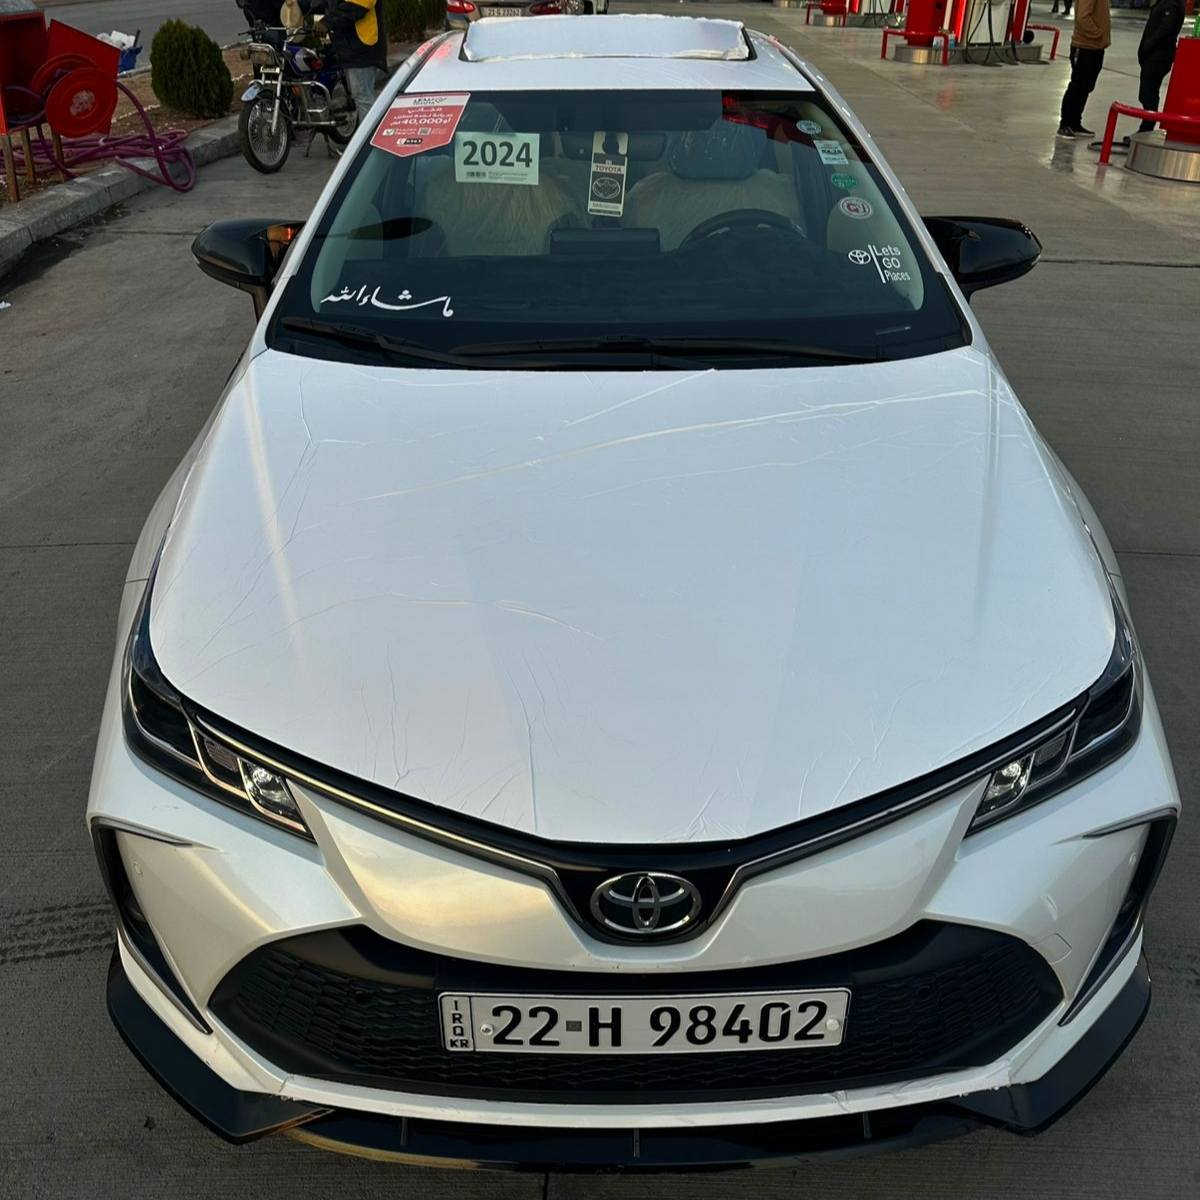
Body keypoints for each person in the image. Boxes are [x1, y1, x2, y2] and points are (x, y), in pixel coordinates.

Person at [305, 0, 387, 123]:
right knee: (360, 97)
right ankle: (367, 131)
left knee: (363, 98)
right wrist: (303, 5)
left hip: (362, 48)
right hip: (349, 47)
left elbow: (357, 6)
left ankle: (370, 133)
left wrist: (327, 22)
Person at [1058, 0, 1111, 137]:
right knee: (1077, 86)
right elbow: (1082, 17)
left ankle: (1075, 123)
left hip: (1095, 47)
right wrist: (1098, 34)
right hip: (1084, 47)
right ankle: (1065, 124)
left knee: (1085, 87)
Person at [1135, 0, 1186, 132]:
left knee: (1149, 93)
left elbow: (1165, 29)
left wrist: (1148, 45)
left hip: (1159, 56)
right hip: (1154, 55)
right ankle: (1146, 126)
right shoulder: (1165, 2)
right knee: (1147, 93)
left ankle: (1146, 127)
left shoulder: (1173, 4)